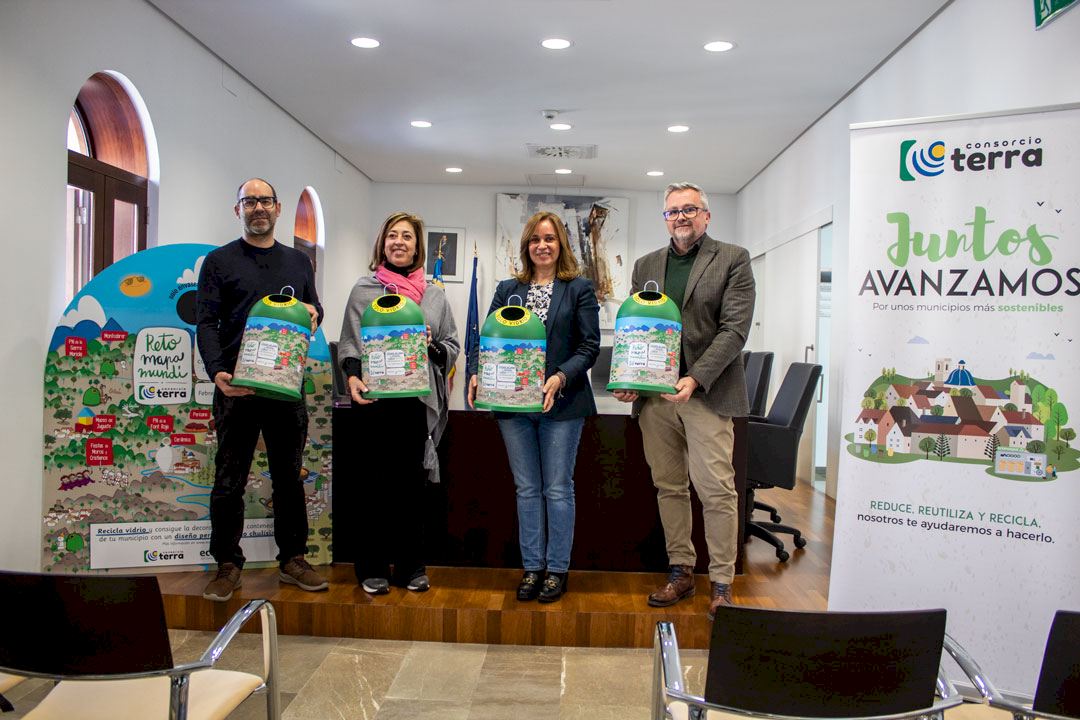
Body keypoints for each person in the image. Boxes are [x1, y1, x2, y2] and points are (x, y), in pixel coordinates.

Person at [614, 182, 755, 619]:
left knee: (716, 491)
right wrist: (629, 379)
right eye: (673, 211)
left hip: (706, 395)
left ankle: (722, 584)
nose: (680, 217)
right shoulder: (646, 265)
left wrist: (695, 378)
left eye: (689, 209)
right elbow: (635, 329)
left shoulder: (733, 258)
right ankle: (681, 571)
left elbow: (734, 330)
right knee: (669, 487)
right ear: (665, 218)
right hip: (656, 400)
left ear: (706, 216)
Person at [196, 177, 328, 602]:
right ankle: (227, 564)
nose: (258, 208)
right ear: (238, 209)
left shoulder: (298, 262)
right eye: (249, 201)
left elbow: (314, 309)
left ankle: (293, 559)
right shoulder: (219, 261)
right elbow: (206, 322)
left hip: (285, 390)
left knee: (288, 477)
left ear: (278, 207)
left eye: (265, 200)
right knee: (229, 479)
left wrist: (314, 312)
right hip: (237, 389)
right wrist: (217, 372)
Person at [468, 212, 600, 603]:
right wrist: (475, 372)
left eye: (550, 238)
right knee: (527, 489)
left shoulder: (578, 288)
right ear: (527, 246)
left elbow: (589, 346)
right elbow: (486, 338)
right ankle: (532, 567)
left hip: (562, 405)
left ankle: (557, 570)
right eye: (535, 239)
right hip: (513, 407)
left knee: (557, 489)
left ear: (561, 244)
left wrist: (559, 377)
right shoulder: (508, 288)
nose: (542, 245)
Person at [338, 211, 459, 595]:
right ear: (383, 243)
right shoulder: (364, 290)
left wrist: (432, 346)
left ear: (417, 245)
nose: (399, 242)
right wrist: (353, 376)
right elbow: (350, 342)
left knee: (410, 488)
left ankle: (411, 567)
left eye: (407, 236)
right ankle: (371, 568)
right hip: (373, 400)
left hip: (414, 402)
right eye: (393, 235)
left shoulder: (434, 296)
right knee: (371, 486)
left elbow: (452, 345)